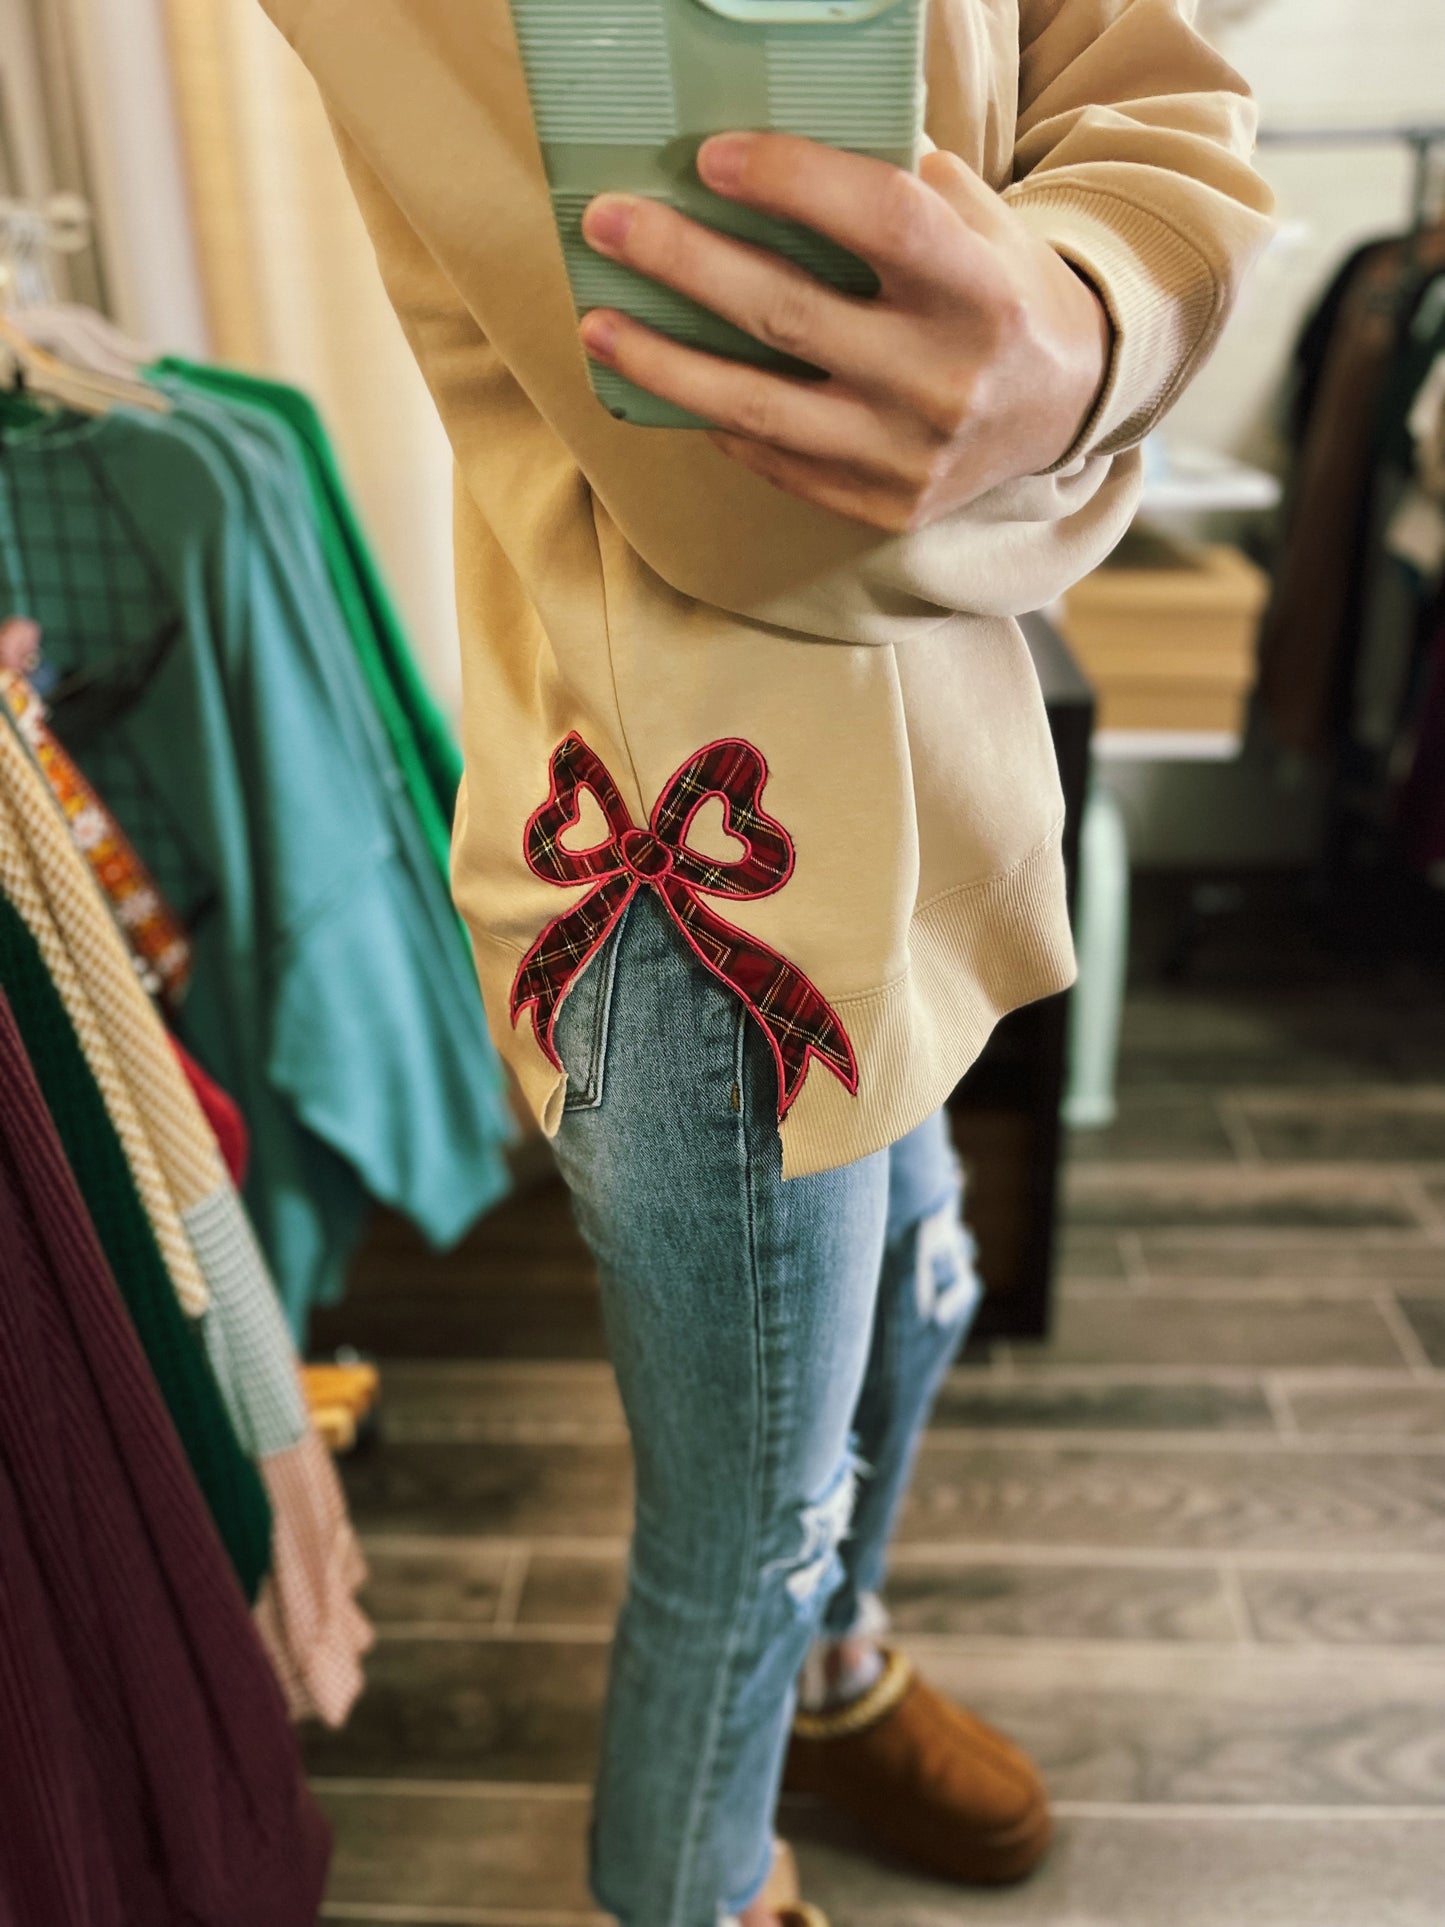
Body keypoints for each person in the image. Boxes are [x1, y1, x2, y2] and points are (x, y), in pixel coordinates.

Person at [263, 3, 1273, 1922]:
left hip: (925, 795)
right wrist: (1084, 385)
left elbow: (1142, 89)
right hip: (698, 871)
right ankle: (697, 1887)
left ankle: (826, 1676)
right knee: (738, 1527)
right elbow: (772, 491)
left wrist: (1073, 325)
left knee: (924, 1289)